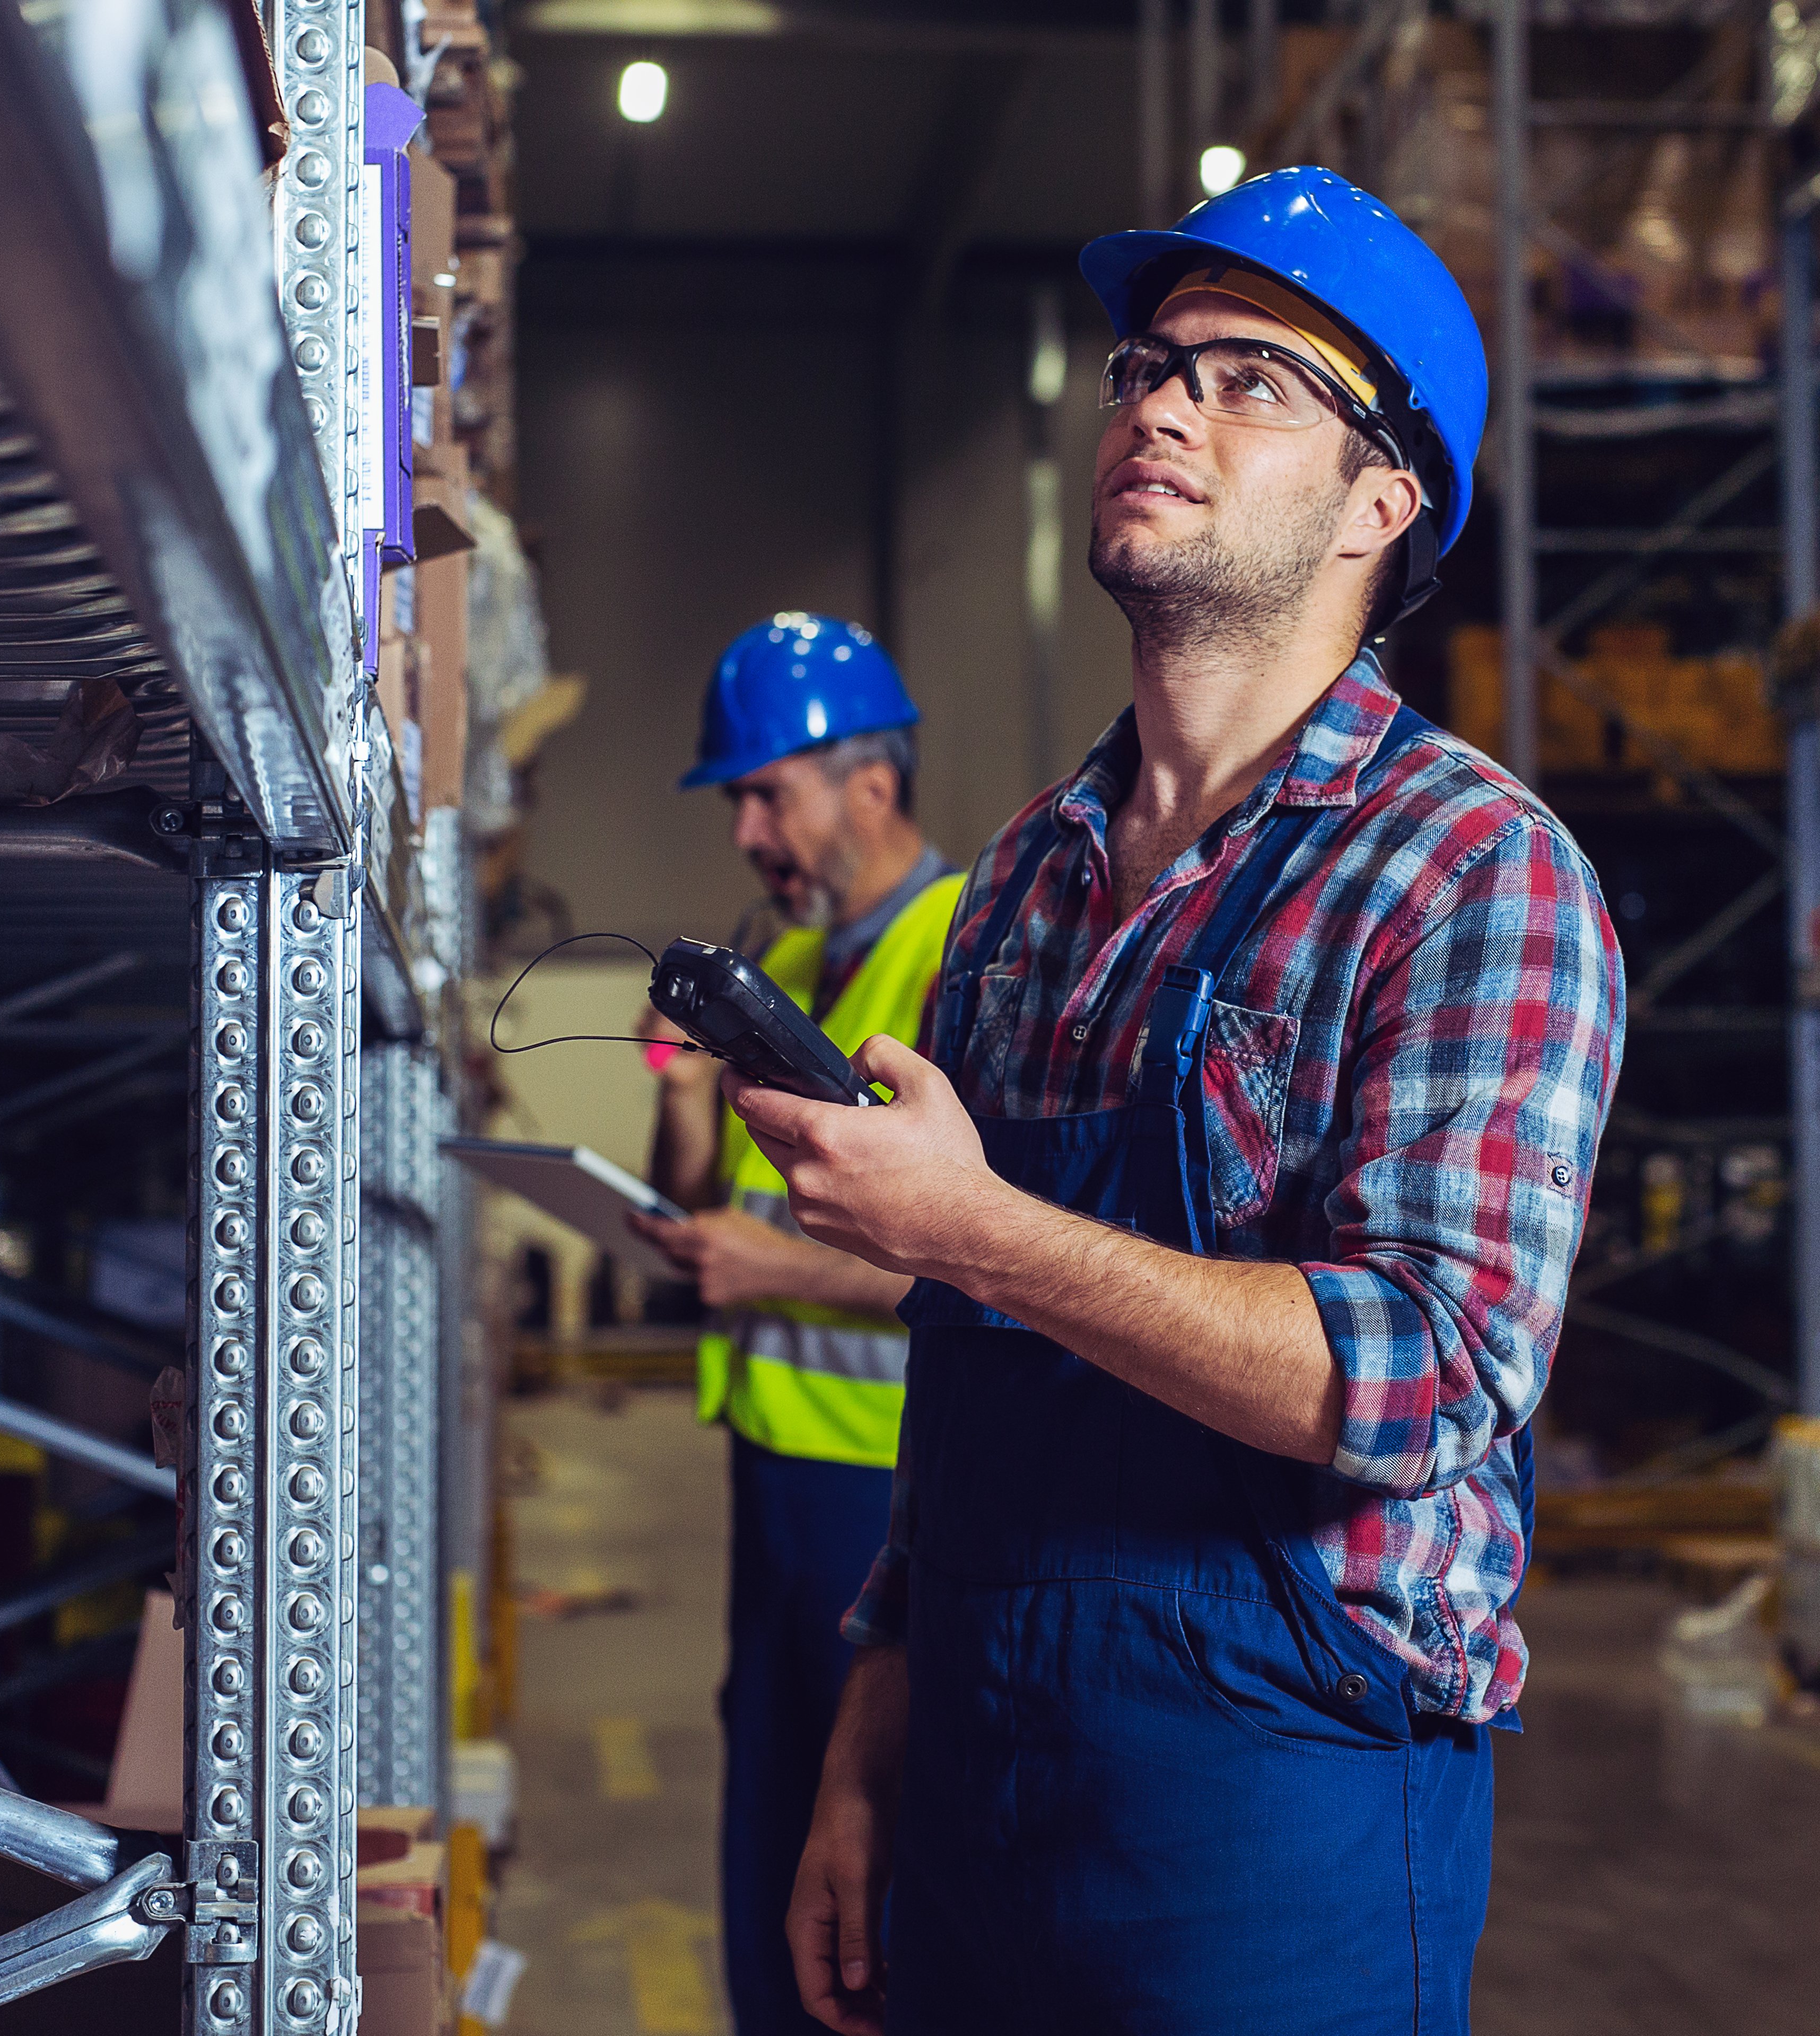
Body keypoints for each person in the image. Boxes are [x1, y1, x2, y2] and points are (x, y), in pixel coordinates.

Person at [736, 169, 1626, 2034]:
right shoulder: (1028, 883)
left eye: (1250, 380)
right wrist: (870, 1740)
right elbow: (967, 1374)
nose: (1159, 403)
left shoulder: (1471, 873)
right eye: (1151, 363)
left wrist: (968, 1221)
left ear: (1384, 502)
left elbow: (1422, 1377)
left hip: (1271, 1818)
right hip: (977, 1765)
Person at [628, 612, 963, 2036]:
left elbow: (981, 1259)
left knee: (846, 1864)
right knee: (771, 1818)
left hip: (880, 1484)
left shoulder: (952, 953)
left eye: (768, 793)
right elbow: (718, 1204)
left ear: (868, 786)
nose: (749, 831)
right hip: (781, 1467)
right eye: (739, 802)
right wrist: (682, 1099)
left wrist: (766, 1275)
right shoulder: (807, 956)